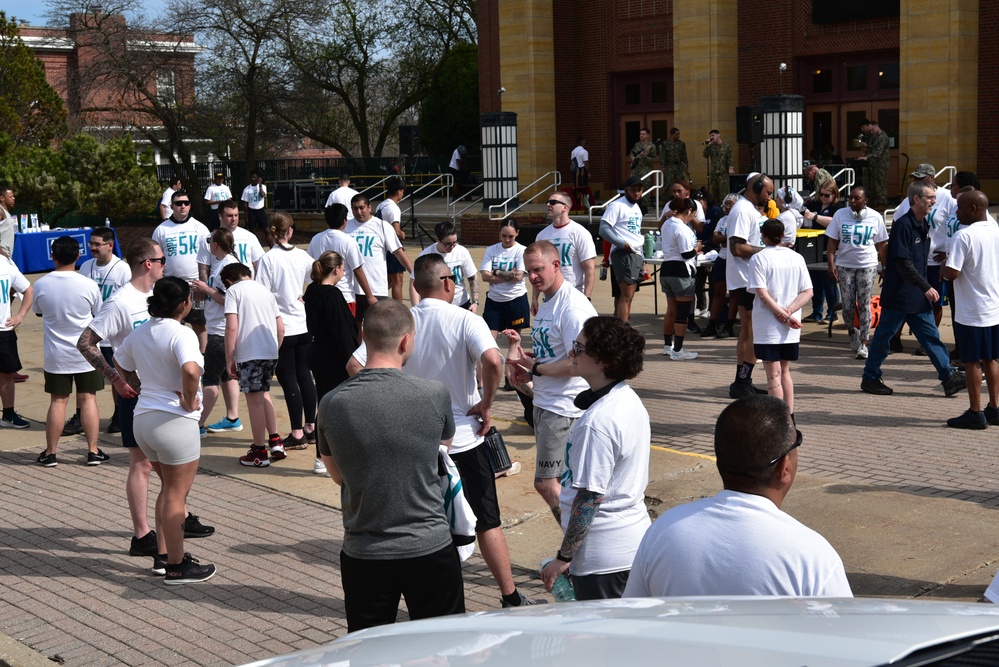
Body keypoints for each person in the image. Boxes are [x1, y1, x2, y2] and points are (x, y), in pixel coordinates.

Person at [317, 300, 464, 632]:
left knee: (369, 648)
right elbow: (440, 456)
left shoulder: (332, 402)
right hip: (429, 545)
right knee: (444, 643)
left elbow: (338, 475)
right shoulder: (434, 394)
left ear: (364, 337)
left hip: (364, 552)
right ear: (405, 341)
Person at [403, 253, 535, 608]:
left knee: (429, 526)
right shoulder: (466, 319)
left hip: (417, 444)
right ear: (448, 283)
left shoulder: (403, 321)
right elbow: (492, 360)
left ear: (415, 286)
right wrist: (486, 403)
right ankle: (510, 596)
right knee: (486, 521)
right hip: (464, 441)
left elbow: (356, 364)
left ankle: (436, 603)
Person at [624, 394, 852, 598]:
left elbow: (630, 616)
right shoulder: (812, 555)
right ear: (784, 467)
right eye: (797, 442)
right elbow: (841, 630)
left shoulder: (664, 530)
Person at [78, 238, 215, 563]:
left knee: (168, 478)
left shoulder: (158, 297)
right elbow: (86, 342)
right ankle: (143, 535)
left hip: (161, 395)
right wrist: (118, 380)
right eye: (162, 259)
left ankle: (178, 518)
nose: (166, 264)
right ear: (147, 263)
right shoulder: (120, 302)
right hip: (142, 395)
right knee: (141, 466)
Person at [539, 316, 650, 600]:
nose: (571, 353)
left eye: (579, 347)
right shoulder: (627, 399)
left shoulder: (597, 423)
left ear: (603, 361)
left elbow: (589, 498)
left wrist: (564, 557)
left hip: (604, 560)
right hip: (630, 547)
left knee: (605, 629)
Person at [114, 277, 216, 585]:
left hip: (144, 420)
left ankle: (163, 555)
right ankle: (176, 566)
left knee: (168, 489)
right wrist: (187, 399)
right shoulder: (182, 333)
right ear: (183, 304)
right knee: (175, 494)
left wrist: (140, 386)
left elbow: (120, 362)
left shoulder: (140, 332)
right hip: (173, 423)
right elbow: (190, 370)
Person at [509, 241, 597, 523]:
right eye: (528, 272)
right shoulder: (547, 300)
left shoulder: (572, 307)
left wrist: (536, 368)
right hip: (546, 403)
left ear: (556, 265)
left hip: (564, 408)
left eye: (538, 270)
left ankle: (576, 544)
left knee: (547, 484)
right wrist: (530, 369)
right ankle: (579, 543)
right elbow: (556, 352)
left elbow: (581, 363)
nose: (533, 277)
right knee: (563, 485)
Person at [861, 182, 966, 397]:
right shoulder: (903, 225)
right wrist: (925, 286)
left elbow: (919, 262)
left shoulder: (923, 224)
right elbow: (902, 262)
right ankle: (870, 377)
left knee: (931, 337)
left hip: (916, 296)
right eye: (929, 197)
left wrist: (925, 285)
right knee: (883, 338)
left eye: (934, 197)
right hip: (900, 295)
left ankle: (948, 377)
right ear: (916, 199)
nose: (934, 201)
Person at [31, 236, 107, 466]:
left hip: (57, 354)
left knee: (58, 401)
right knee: (88, 399)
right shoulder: (88, 284)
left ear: (53, 256)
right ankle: (93, 451)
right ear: (78, 256)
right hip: (86, 352)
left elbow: (38, 312)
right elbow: (98, 313)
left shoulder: (41, 284)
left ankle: (51, 453)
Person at [256, 212, 317, 454]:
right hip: (302, 323)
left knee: (288, 378)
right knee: (304, 375)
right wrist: (305, 297)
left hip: (281, 325)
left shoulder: (268, 259)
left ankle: (297, 432)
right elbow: (316, 276)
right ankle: (310, 426)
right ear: (290, 231)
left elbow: (262, 294)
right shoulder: (301, 255)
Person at [63, 227, 131, 437]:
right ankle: (80, 415)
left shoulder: (122, 269)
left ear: (110, 246)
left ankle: (119, 414)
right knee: (83, 376)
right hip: (90, 332)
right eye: (91, 243)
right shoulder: (86, 266)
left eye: (97, 244)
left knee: (117, 375)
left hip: (111, 334)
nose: (92, 248)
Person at [941, 190, 999, 429]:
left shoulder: (963, 236)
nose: (956, 212)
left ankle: (975, 413)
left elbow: (952, 273)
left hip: (972, 309)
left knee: (972, 360)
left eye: (960, 208)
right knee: (991, 358)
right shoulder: (996, 231)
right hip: (993, 306)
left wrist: (943, 268)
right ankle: (994, 408)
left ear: (973, 209)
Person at [747, 219, 813, 418]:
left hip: (768, 326)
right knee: (785, 372)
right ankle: (790, 418)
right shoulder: (797, 257)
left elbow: (763, 294)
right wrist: (789, 312)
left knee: (772, 375)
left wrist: (783, 315)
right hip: (790, 326)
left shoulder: (759, 258)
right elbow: (808, 292)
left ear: (763, 236)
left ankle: (779, 419)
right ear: (783, 235)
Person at [224, 262, 285, 467]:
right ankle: (275, 441)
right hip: (270, 350)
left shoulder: (233, 291)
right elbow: (281, 327)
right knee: (264, 394)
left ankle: (259, 452)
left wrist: (230, 358)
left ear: (228, 281)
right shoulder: (265, 291)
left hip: (250, 352)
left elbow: (232, 327)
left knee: (254, 401)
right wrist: (274, 348)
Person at [304, 251, 358, 476]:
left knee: (325, 404)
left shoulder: (312, 290)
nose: (344, 272)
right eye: (343, 268)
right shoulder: (331, 294)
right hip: (334, 356)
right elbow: (342, 331)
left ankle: (321, 456)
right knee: (337, 408)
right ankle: (330, 458)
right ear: (336, 269)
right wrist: (353, 359)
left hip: (318, 352)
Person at [824, 186, 888, 360]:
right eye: (850, 198)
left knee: (865, 303)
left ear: (865, 200)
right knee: (848, 305)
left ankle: (864, 342)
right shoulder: (840, 215)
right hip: (845, 266)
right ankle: (852, 332)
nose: (852, 201)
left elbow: (882, 245)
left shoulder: (875, 217)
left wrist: (884, 268)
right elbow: (832, 241)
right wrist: (831, 264)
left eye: (857, 198)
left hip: (867, 265)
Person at [191, 228, 243, 438]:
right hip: (218, 328)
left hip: (221, 331)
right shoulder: (222, 263)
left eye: (209, 241)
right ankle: (233, 418)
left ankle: (198, 425)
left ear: (215, 244)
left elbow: (231, 299)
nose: (208, 245)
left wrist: (207, 289)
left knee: (210, 380)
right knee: (226, 375)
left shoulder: (228, 266)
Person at [726, 173, 773, 397]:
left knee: (749, 332)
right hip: (746, 281)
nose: (770, 197)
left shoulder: (749, 209)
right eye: (767, 192)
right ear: (755, 188)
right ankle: (742, 382)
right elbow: (737, 248)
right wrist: (769, 251)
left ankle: (742, 382)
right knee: (753, 332)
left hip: (749, 280)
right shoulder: (743, 210)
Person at [152, 189, 210, 351]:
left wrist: (204, 285)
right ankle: (173, 355)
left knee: (199, 323)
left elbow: (208, 259)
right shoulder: (161, 230)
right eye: (178, 203)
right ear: (171, 206)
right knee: (172, 324)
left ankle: (203, 356)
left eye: (186, 203)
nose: (182, 206)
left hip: (195, 286)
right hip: (172, 287)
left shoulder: (200, 228)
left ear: (190, 205)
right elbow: (156, 258)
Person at [346, 193, 414, 323]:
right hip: (350, 288)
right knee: (354, 327)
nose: (359, 212)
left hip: (376, 287)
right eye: (355, 208)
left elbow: (398, 252)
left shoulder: (382, 226)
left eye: (362, 208)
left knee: (378, 326)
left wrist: (414, 273)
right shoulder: (346, 227)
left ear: (369, 207)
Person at [308, 203, 376, 316]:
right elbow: (358, 270)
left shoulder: (316, 239)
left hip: (320, 294)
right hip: (344, 297)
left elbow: (309, 265)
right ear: (345, 221)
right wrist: (370, 296)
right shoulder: (348, 241)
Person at [534, 190, 597, 309]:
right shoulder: (542, 235)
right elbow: (537, 270)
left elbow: (589, 269)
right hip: (549, 297)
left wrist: (587, 298)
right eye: (548, 202)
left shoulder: (580, 233)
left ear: (565, 207)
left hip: (573, 296)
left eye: (553, 202)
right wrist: (534, 298)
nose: (548, 205)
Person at [658, 197, 701, 360]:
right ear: (689, 211)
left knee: (671, 310)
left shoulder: (667, 224)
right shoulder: (682, 228)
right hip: (681, 271)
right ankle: (677, 350)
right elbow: (686, 254)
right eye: (693, 214)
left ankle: (667, 346)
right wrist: (697, 248)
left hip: (666, 269)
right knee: (682, 313)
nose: (693, 218)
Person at [600, 176, 645, 323]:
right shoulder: (616, 206)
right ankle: (622, 329)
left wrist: (642, 259)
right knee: (626, 296)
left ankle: (619, 327)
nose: (637, 193)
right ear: (626, 190)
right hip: (624, 253)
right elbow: (603, 229)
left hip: (635, 253)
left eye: (639, 190)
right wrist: (622, 244)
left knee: (626, 296)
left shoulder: (636, 208)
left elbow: (636, 233)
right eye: (633, 190)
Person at [802, 179, 845, 323]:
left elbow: (834, 222)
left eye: (827, 195)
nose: (823, 198)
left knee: (829, 283)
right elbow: (802, 209)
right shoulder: (815, 205)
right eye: (821, 194)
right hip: (813, 248)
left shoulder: (838, 208)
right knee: (815, 282)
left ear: (834, 195)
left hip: (829, 249)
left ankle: (832, 312)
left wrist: (815, 217)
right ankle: (816, 312)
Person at [480, 219, 529, 340]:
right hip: (494, 300)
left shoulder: (522, 250)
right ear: (499, 233)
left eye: (511, 236)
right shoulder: (491, 250)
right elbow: (485, 276)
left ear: (517, 233)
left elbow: (518, 276)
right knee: (488, 340)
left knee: (513, 340)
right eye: (504, 236)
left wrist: (496, 272)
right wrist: (509, 275)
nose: (507, 240)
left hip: (516, 299)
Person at [412, 221, 478, 311]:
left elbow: (472, 277)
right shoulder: (426, 255)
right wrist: (416, 308)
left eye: (455, 242)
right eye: (448, 244)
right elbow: (414, 282)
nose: (452, 246)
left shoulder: (462, 252)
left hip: (461, 304)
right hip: (436, 307)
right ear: (438, 239)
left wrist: (475, 302)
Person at [0, 246, 31, 428]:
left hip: (4, 330)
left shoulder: (6, 265)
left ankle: (9, 415)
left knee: (6, 374)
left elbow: (28, 290)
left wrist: (20, 316)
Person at [704, 193, 740, 339]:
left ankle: (729, 325)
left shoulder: (738, 219)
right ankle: (712, 324)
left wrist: (725, 239)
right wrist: (728, 238)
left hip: (735, 259)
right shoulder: (722, 220)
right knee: (718, 291)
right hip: (723, 257)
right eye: (726, 204)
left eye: (731, 204)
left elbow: (737, 240)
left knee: (734, 293)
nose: (728, 207)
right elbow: (715, 238)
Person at [374, 177, 407, 302]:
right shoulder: (393, 208)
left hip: (382, 246)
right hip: (392, 248)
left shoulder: (381, 205)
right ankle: (399, 309)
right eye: (402, 191)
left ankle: (372, 300)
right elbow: (396, 230)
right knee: (398, 281)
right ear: (399, 191)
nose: (402, 194)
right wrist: (402, 234)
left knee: (388, 280)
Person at [855, 119, 889, 209]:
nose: (872, 132)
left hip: (880, 165)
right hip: (873, 164)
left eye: (872, 130)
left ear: (876, 126)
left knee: (880, 185)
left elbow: (878, 153)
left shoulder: (883, 137)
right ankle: (874, 202)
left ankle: (882, 203)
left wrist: (866, 157)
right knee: (873, 185)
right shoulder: (875, 136)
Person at [703, 129, 735, 205]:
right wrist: (707, 146)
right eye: (710, 136)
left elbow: (730, 158)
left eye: (713, 135)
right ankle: (716, 209)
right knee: (715, 194)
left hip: (723, 174)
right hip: (714, 173)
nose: (711, 137)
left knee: (723, 194)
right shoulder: (711, 146)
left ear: (718, 135)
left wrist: (730, 168)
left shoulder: (726, 146)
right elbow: (705, 155)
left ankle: (724, 208)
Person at [240, 171, 268, 238]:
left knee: (266, 230)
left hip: (260, 210)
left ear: (258, 178)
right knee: (252, 231)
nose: (253, 179)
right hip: (252, 211)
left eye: (255, 177)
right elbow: (245, 203)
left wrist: (260, 185)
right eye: (252, 177)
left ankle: (271, 244)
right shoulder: (247, 189)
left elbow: (262, 195)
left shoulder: (263, 186)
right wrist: (246, 216)